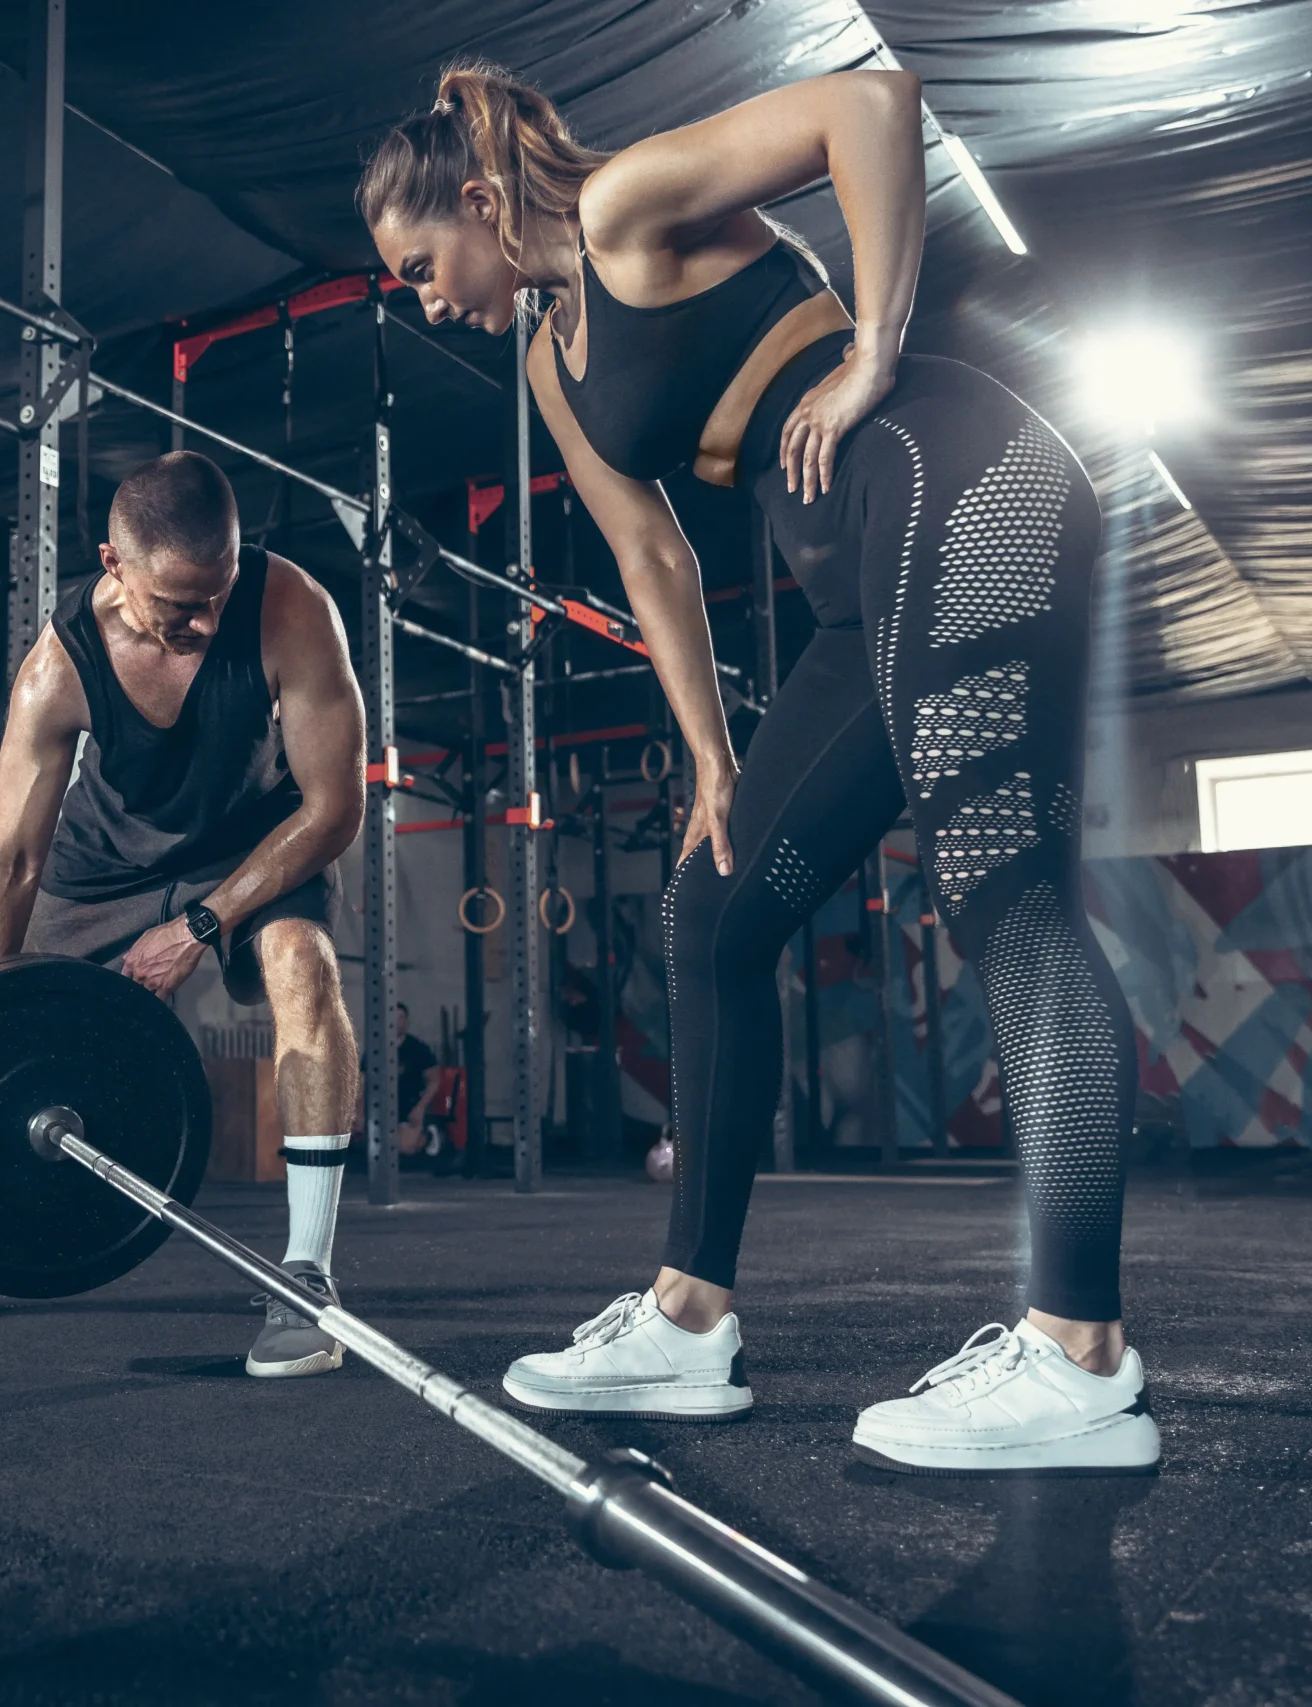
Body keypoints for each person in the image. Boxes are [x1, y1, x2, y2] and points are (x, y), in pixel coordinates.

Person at [361, 64, 1155, 1474]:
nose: (427, 300)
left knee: (1005, 901)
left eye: (424, 267)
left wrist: (872, 349)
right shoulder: (551, 361)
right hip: (858, 596)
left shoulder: (622, 210)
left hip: (962, 480)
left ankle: (1082, 1347)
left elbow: (872, 104)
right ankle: (687, 1317)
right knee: (713, 908)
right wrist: (713, 760)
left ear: (481, 205)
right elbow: (651, 558)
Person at [0, 451, 370, 1380]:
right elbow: (12, 855)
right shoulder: (58, 663)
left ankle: (307, 1273)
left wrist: (201, 922)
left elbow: (334, 809)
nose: (202, 620)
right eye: (177, 604)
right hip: (103, 862)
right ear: (114, 563)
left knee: (305, 969)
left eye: (216, 595)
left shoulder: (292, 609)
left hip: (258, 845)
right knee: (10, 1007)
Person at [389, 1004, 441, 1162]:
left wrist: (420, 1108)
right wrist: (360, 1113)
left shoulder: (418, 1049)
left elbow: (435, 1081)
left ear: (406, 1021)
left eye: (401, 1018)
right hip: (384, 1106)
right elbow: (362, 1081)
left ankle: (428, 1136)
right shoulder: (376, 1048)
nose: (397, 1022)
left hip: (410, 1106)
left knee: (405, 1148)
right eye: (393, 1017)